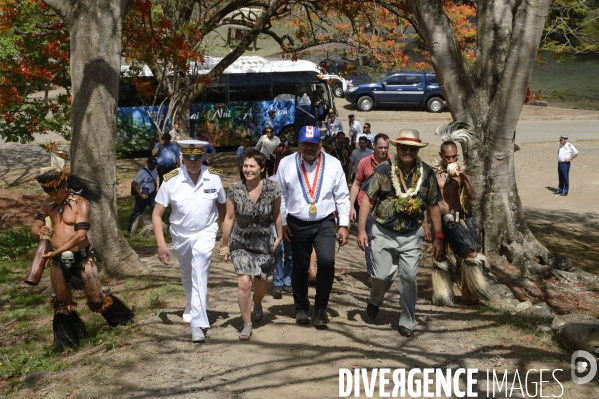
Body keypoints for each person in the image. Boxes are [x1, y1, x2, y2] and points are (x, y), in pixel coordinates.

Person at [31, 168, 134, 351]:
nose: (53, 196)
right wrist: (41, 233)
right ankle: (70, 340)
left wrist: (57, 251)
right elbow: (34, 228)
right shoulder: (47, 204)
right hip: (57, 259)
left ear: (66, 185)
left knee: (96, 299)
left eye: (56, 191)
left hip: (82, 257)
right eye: (49, 192)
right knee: (62, 303)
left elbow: (80, 236)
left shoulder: (82, 203)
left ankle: (121, 321)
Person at [357, 129, 443, 338]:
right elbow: (367, 198)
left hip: (412, 234)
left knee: (409, 277)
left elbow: (433, 205)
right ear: (397, 148)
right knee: (382, 274)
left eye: (412, 148)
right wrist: (361, 230)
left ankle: (407, 321)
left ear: (417, 150)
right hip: (383, 231)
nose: (407, 151)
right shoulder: (384, 170)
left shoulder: (427, 173)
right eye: (403, 147)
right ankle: (376, 299)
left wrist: (438, 236)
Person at [152, 140, 227, 343]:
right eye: (189, 159)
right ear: (182, 158)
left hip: (206, 231)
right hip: (181, 233)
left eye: (197, 158)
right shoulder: (171, 180)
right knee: (187, 272)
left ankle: (197, 324)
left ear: (203, 157)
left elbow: (223, 208)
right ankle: (192, 301)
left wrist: (225, 238)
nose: (193, 163)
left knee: (200, 271)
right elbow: (157, 214)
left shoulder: (214, 177)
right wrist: (161, 245)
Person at [276, 125, 350, 328]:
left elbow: (342, 196)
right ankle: (301, 308)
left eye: (314, 143)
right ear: (298, 143)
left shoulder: (333, 164)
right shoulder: (286, 164)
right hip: (296, 223)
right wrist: (282, 223)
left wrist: (343, 224)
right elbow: (281, 195)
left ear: (320, 143)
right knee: (299, 266)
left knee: (326, 262)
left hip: (325, 222)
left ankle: (320, 308)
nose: (309, 147)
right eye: (305, 143)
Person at [220, 149, 282, 341]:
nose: (247, 169)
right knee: (244, 283)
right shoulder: (235, 189)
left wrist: (279, 236)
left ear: (262, 168)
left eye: (252, 166)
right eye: (245, 166)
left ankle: (258, 302)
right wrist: (224, 243)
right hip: (240, 242)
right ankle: (247, 324)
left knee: (261, 285)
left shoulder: (273, 188)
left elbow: (277, 214)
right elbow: (229, 217)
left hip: (264, 241)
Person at [431, 122, 492, 305]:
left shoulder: (463, 172)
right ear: (441, 155)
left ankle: (470, 293)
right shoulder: (433, 174)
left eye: (454, 156)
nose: (451, 160)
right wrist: (429, 227)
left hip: (459, 216)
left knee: (471, 253)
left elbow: (472, 196)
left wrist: (464, 178)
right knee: (440, 256)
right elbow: (430, 202)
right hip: (441, 218)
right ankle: (442, 295)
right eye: (447, 157)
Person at [349, 134, 390, 285]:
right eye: (380, 147)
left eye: (386, 148)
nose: (383, 151)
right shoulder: (365, 163)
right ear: (374, 146)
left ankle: (383, 270)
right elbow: (356, 184)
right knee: (369, 240)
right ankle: (371, 273)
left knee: (386, 241)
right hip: (368, 207)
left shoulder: (393, 162)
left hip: (387, 209)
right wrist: (351, 206)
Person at [271, 150, 294, 298]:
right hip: (276, 221)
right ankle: (277, 283)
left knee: (291, 253)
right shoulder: (271, 181)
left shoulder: (298, 180)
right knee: (277, 251)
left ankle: (288, 281)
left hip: (292, 221)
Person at [127, 156, 158, 233]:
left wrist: (155, 191)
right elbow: (134, 184)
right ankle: (130, 228)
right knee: (137, 212)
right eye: (152, 165)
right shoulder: (142, 172)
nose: (154, 166)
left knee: (155, 211)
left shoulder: (155, 171)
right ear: (148, 164)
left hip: (152, 194)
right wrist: (140, 195)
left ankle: (156, 227)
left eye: (155, 165)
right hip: (142, 195)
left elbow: (154, 182)